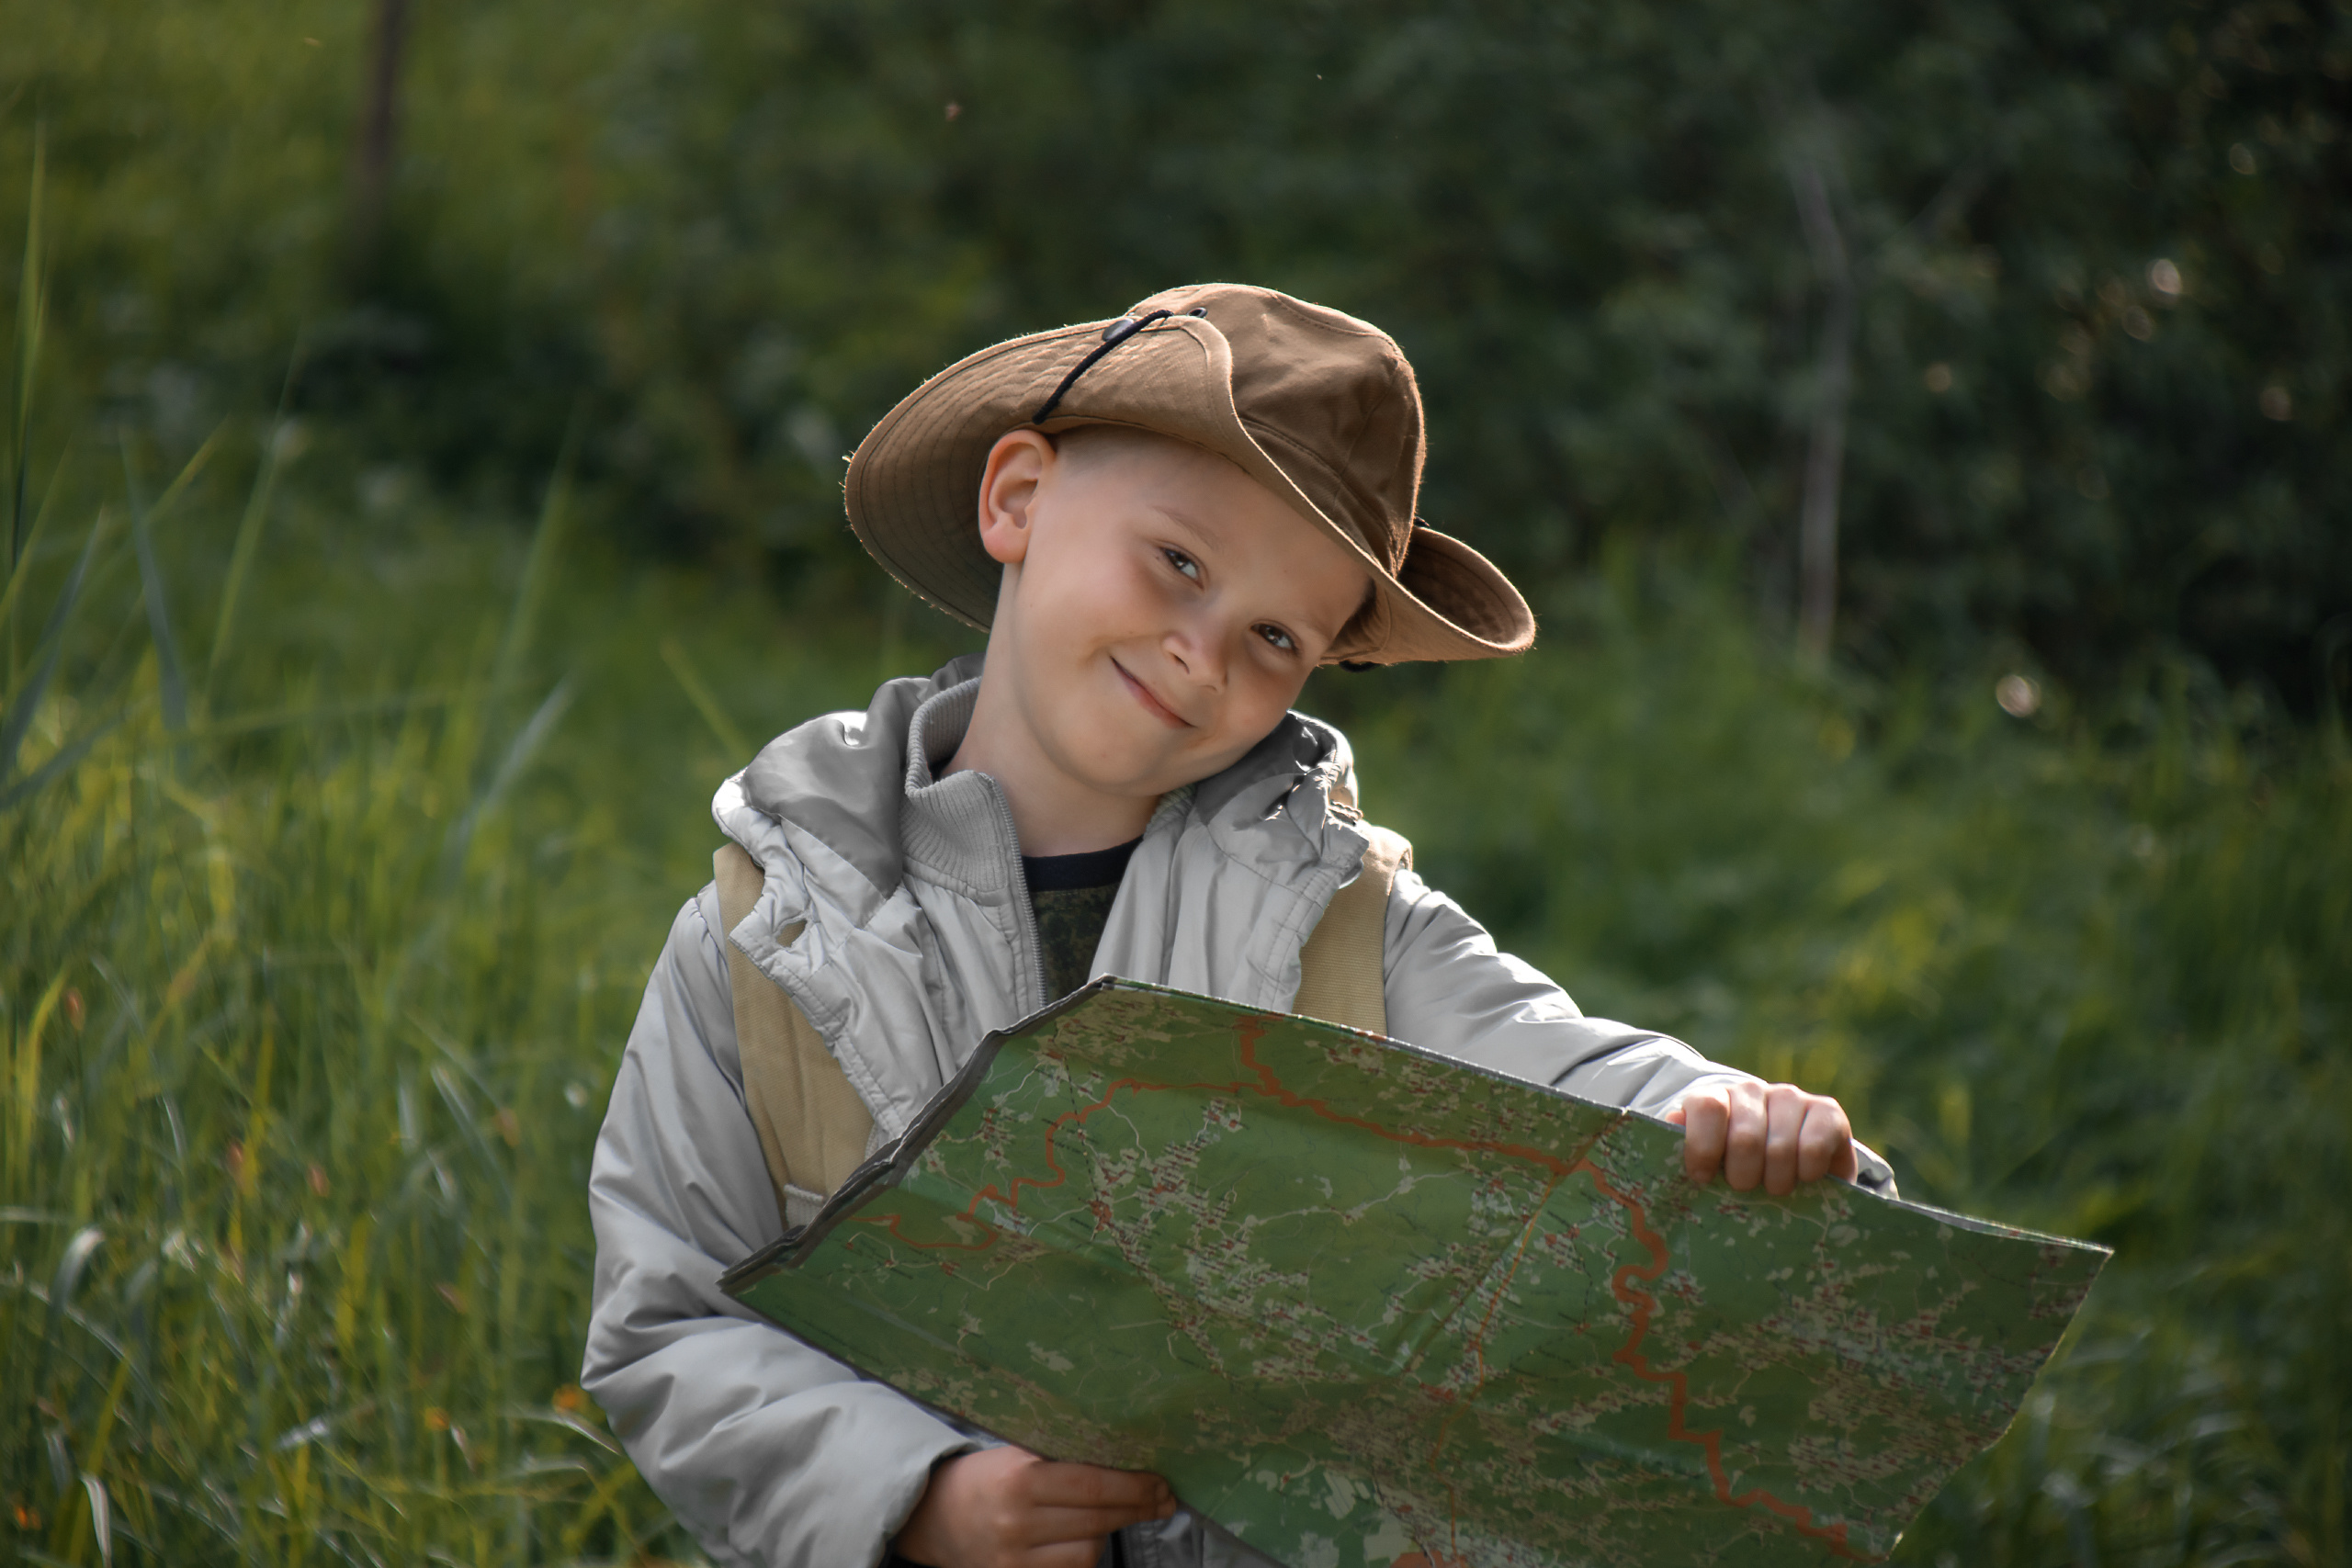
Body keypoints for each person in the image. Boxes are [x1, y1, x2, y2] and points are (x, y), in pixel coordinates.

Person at [582, 283, 1894, 1568]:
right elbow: (670, 1330)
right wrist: (919, 1499)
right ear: (1018, 499)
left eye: (1273, 634)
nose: (1204, 653)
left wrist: (1728, 1114)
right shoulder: (770, 936)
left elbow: (1569, 1072)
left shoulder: (1346, 928)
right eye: (1179, 563)